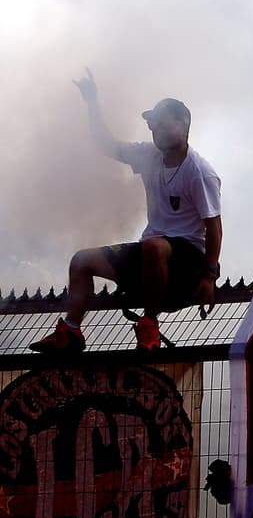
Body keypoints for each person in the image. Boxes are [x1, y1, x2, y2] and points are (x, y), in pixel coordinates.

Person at [30, 71, 223, 353]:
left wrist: (210, 276)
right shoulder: (148, 156)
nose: (153, 129)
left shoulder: (199, 173)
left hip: (187, 261)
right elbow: (105, 144)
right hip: (151, 252)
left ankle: (149, 324)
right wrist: (92, 102)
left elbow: (214, 227)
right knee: (82, 260)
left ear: (182, 127)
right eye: (152, 125)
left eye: (160, 123)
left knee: (154, 247)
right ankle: (70, 332)